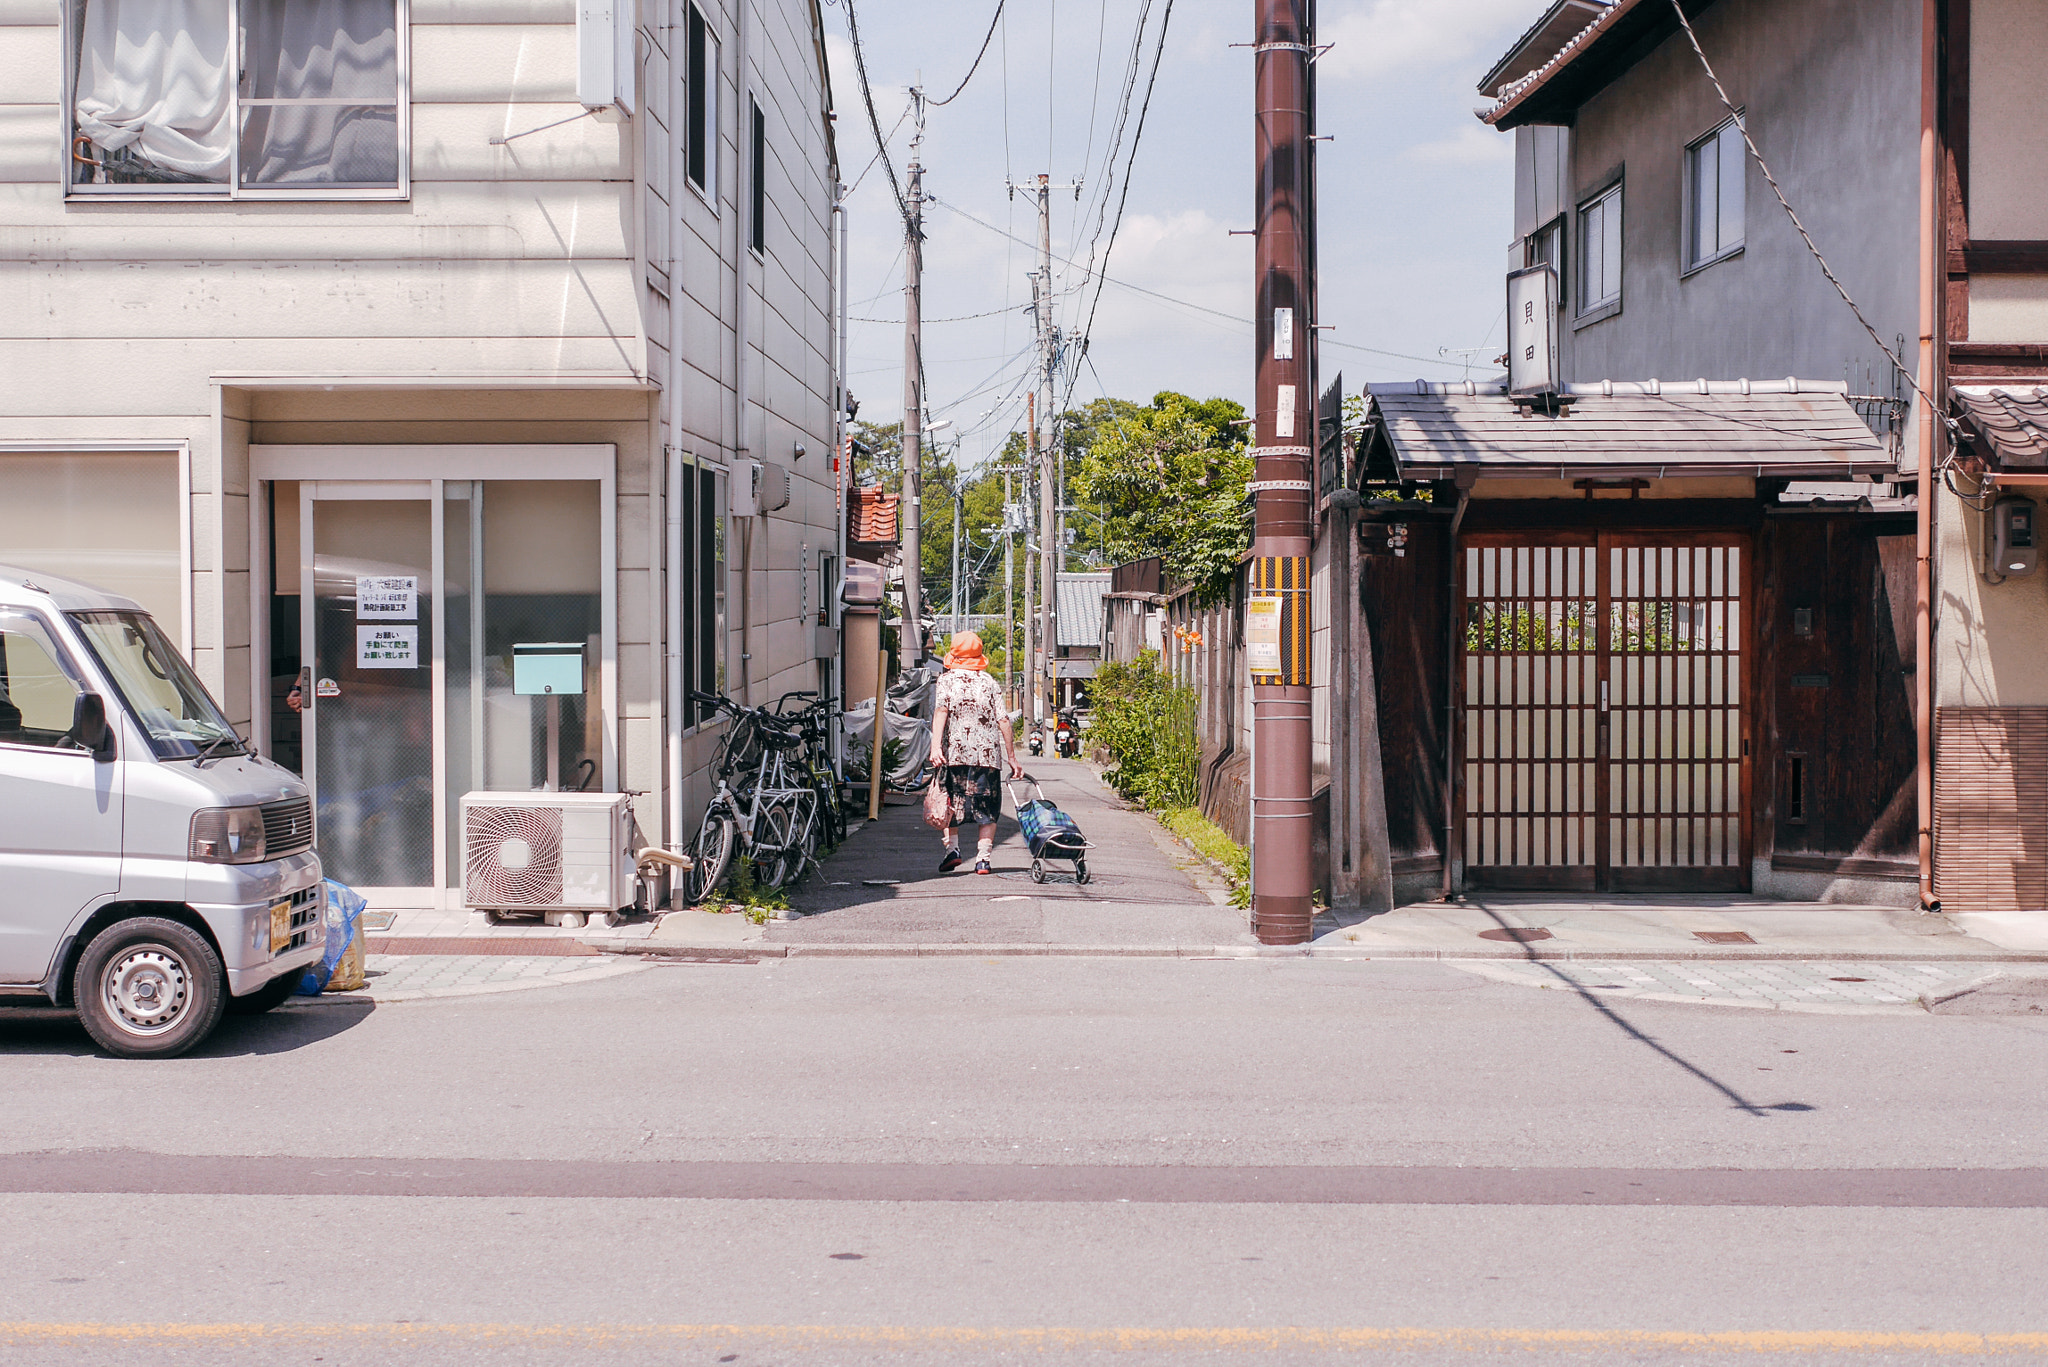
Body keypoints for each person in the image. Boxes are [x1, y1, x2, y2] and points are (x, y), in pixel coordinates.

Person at [927, 631, 1024, 874]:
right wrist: (1011, 757)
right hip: (988, 756)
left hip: (954, 754)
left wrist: (936, 746)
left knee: (951, 802)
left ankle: (953, 850)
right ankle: (983, 859)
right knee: (988, 807)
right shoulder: (989, 682)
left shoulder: (947, 680)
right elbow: (1003, 720)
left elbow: (941, 712)